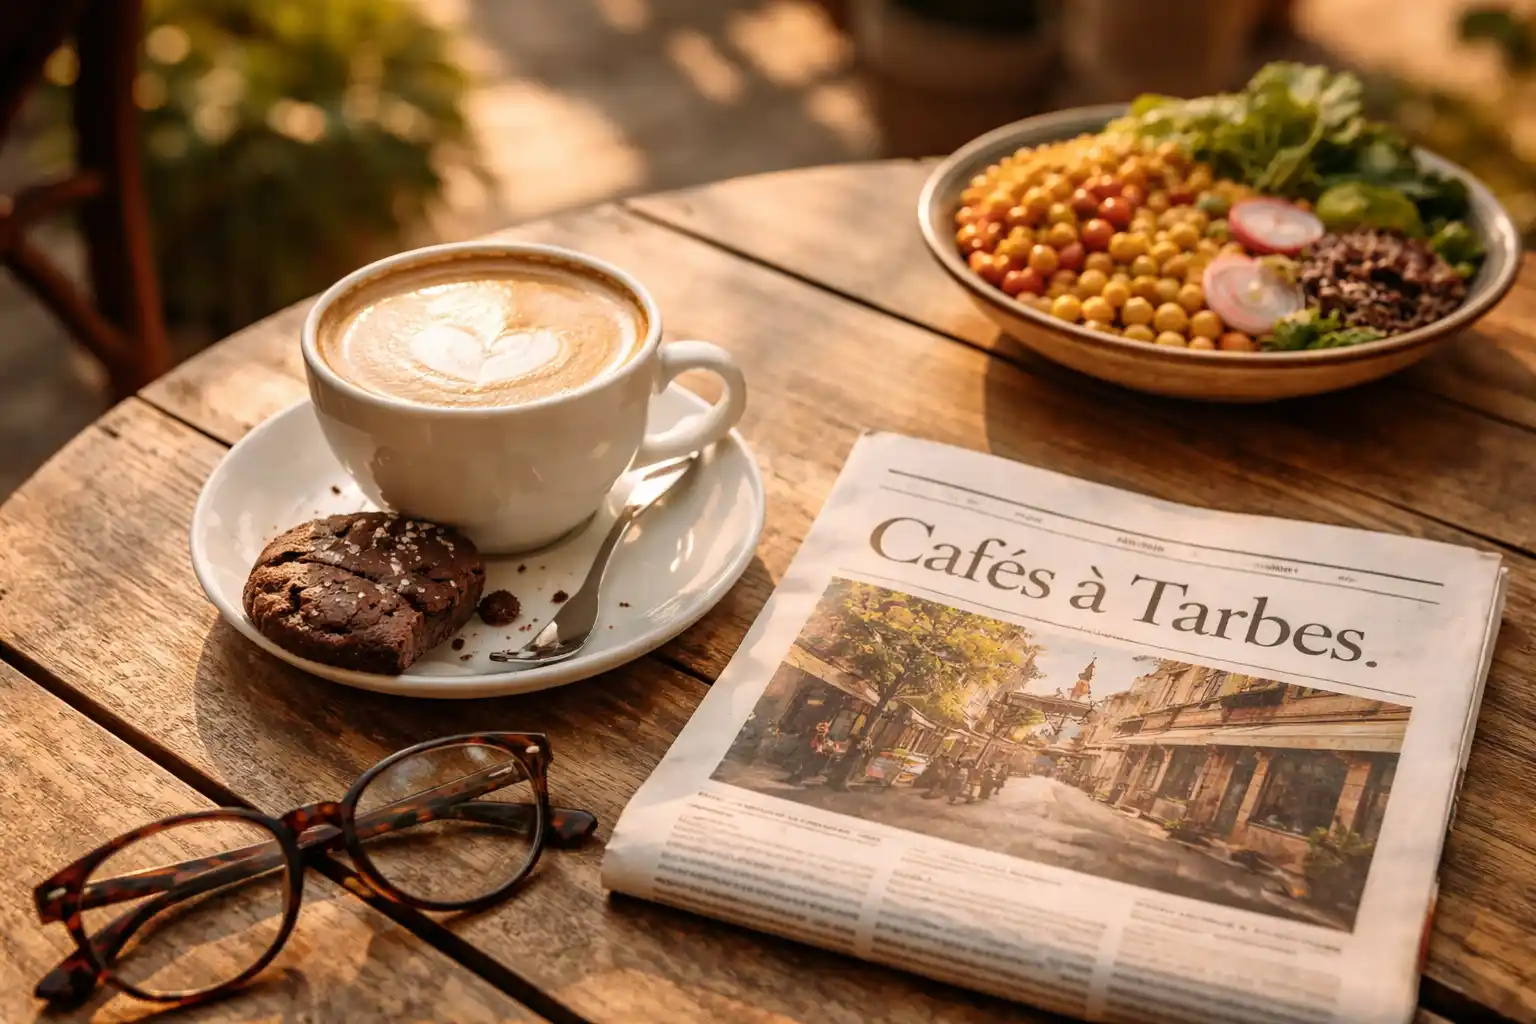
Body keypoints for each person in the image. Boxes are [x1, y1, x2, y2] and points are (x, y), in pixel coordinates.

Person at [785, 720, 832, 785]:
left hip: (810, 751)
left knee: (804, 766)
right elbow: (816, 744)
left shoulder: (818, 735)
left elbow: (818, 744)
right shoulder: (819, 735)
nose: (825, 730)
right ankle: (795, 779)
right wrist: (818, 749)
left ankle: (795, 779)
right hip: (810, 751)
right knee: (804, 766)